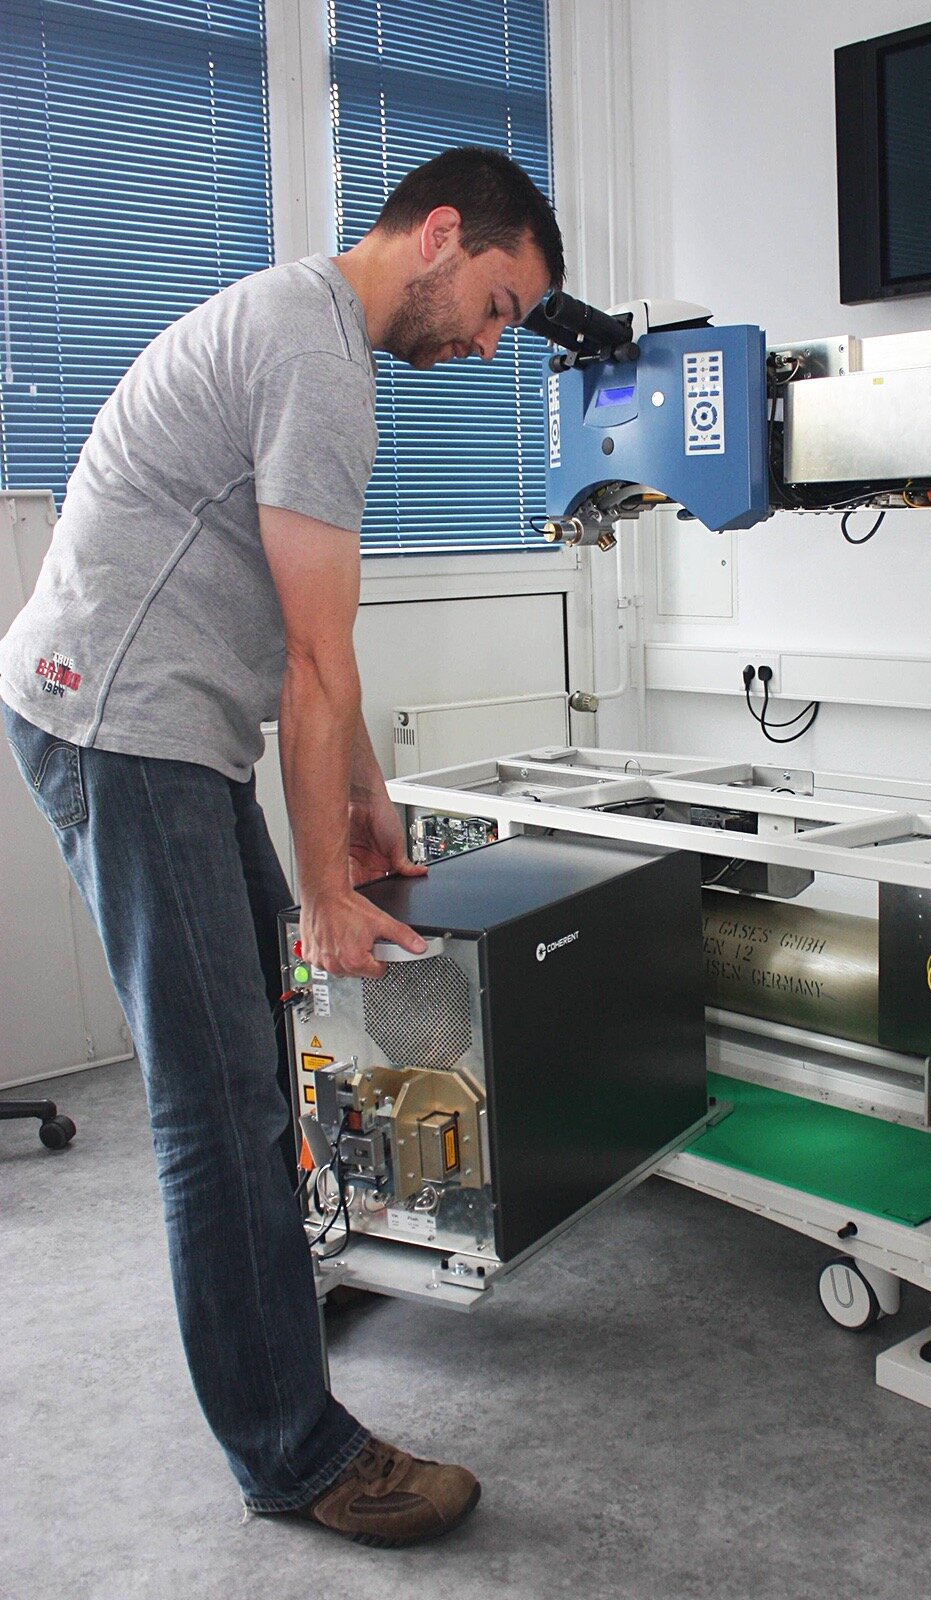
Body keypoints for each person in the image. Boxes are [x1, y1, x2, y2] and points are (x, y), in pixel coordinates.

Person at [0, 146, 562, 1547]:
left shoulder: (304, 329)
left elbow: (312, 641)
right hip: (127, 726)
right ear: (439, 236)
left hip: (139, 719)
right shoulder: (316, 354)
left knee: (247, 1056)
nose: (493, 342)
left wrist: (362, 800)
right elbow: (312, 661)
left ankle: (267, 1313)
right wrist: (326, 887)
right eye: (497, 304)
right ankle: (294, 1453)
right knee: (221, 1104)